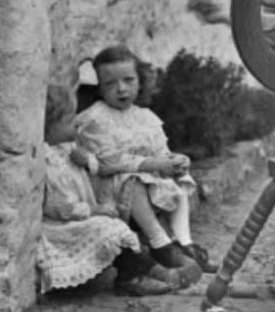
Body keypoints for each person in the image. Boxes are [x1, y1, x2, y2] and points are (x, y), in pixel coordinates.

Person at [75, 45, 212, 283]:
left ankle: (184, 242)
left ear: (140, 80)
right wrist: (153, 163)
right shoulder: (96, 118)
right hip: (110, 185)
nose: (121, 89)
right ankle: (161, 244)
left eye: (129, 80)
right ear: (99, 88)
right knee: (133, 180)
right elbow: (108, 162)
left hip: (149, 180)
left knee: (181, 179)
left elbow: (161, 152)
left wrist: (176, 161)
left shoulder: (146, 117)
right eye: (110, 84)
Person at [37, 83, 174, 296]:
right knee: (109, 228)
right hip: (62, 223)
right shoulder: (47, 160)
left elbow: (93, 168)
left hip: (80, 215)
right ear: (47, 125)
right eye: (67, 121)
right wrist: (94, 210)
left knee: (114, 223)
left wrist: (87, 161)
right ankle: (131, 277)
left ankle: (147, 267)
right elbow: (58, 206)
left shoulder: (66, 149)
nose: (75, 126)